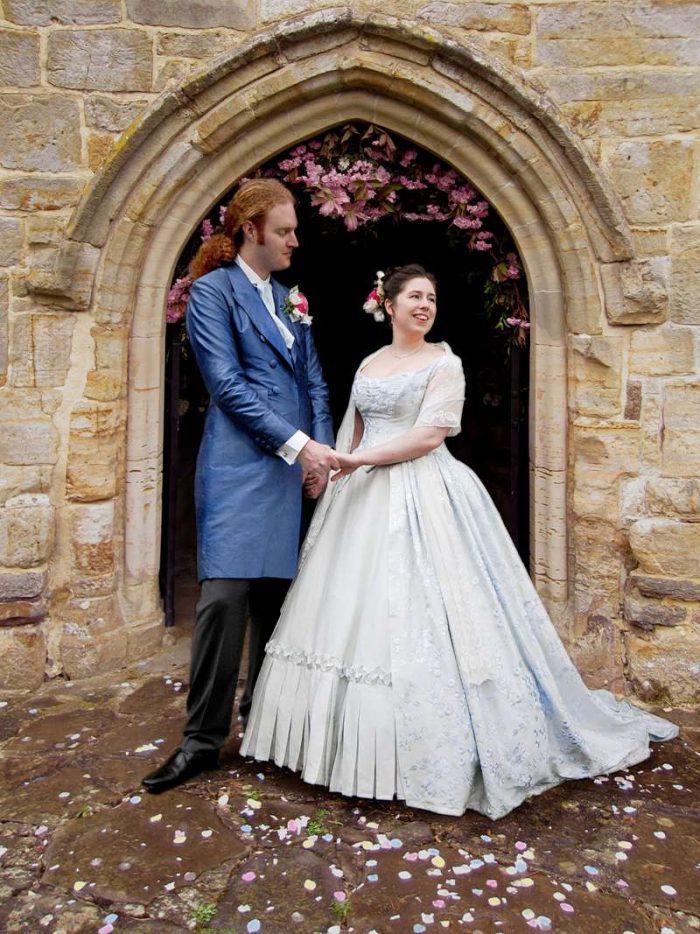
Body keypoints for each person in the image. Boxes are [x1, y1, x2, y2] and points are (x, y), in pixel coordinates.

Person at [240, 263, 678, 820]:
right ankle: (329, 747)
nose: (424, 306)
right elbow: (353, 427)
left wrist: (357, 460)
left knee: (435, 609)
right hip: (359, 495)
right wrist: (329, 470)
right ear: (389, 304)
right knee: (350, 607)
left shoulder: (445, 364)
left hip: (426, 491)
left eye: (431, 298)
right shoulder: (370, 363)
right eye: (415, 297)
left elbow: (428, 435)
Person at [143, 179, 337, 794]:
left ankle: (265, 726)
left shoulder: (292, 300)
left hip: (292, 471)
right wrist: (300, 444)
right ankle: (201, 741)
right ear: (249, 229)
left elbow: (316, 385)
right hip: (236, 468)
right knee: (223, 602)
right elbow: (226, 386)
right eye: (284, 230)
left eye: (294, 231)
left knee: (278, 606)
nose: (293, 241)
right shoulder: (211, 291)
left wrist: (320, 460)